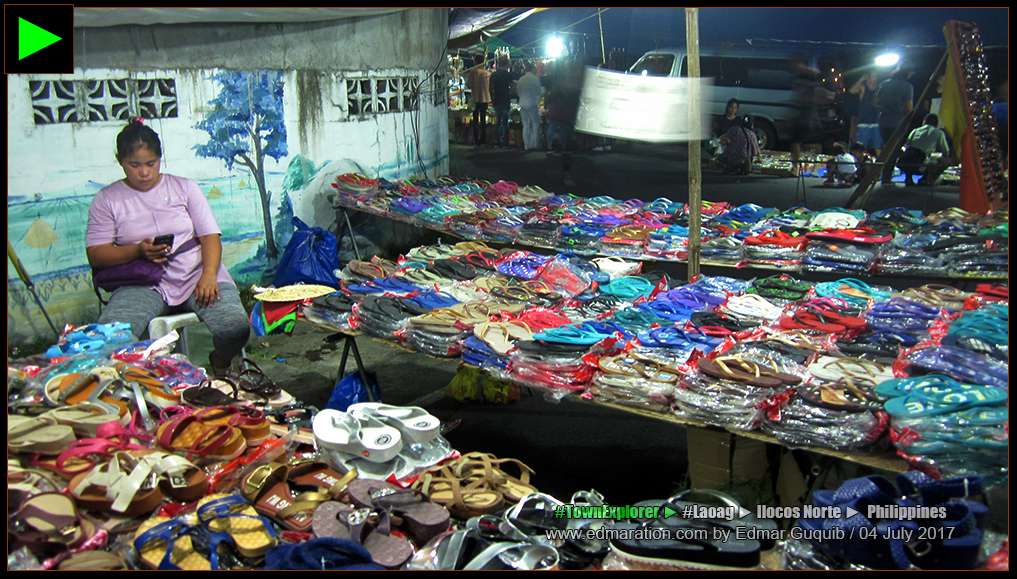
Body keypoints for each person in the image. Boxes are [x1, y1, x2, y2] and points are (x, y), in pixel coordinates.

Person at [86, 118, 250, 375]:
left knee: (235, 327)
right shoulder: (107, 199)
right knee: (112, 337)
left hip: (196, 273)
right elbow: (96, 255)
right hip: (143, 281)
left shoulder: (184, 188)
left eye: (151, 164)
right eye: (134, 165)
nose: (144, 172)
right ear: (120, 160)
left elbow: (210, 237)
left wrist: (208, 275)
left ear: (160, 158)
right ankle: (150, 385)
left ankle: (220, 360)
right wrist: (137, 251)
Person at [874, 65, 914, 184]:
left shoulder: (884, 84)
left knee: (886, 148)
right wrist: (900, 109)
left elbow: (875, 101)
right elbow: (909, 108)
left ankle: (882, 175)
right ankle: (886, 177)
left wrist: (887, 105)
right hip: (897, 122)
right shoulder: (907, 87)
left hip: (883, 121)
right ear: (907, 74)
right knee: (893, 151)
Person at [898, 113, 952, 186]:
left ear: (924, 122)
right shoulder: (939, 133)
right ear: (936, 125)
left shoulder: (915, 131)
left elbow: (907, 147)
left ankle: (908, 178)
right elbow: (946, 154)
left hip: (908, 164)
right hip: (922, 166)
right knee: (947, 160)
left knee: (910, 154)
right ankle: (926, 179)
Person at [850, 71, 882, 156]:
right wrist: (861, 79)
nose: (874, 79)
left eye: (876, 76)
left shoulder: (880, 87)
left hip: (876, 122)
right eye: (873, 76)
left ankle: (880, 168)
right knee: (861, 148)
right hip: (864, 123)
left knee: (878, 147)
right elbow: (852, 91)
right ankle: (859, 167)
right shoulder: (863, 87)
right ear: (868, 77)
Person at [489, 56, 517, 148]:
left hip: (497, 99)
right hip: (505, 100)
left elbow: (490, 88)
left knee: (497, 122)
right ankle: (505, 142)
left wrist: (492, 98)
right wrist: (509, 93)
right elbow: (512, 87)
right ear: (507, 65)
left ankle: (496, 142)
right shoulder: (508, 75)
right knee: (505, 123)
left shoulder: (494, 74)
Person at [516, 61, 543, 150]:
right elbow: (538, 92)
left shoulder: (521, 79)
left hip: (522, 103)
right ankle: (535, 143)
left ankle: (526, 145)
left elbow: (518, 91)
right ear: (533, 69)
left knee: (526, 125)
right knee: (535, 124)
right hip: (532, 103)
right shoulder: (535, 79)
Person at [465, 55, 492, 146]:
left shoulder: (473, 72)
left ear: (475, 61)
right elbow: (491, 86)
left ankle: (476, 140)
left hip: (476, 98)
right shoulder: (488, 73)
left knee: (476, 119)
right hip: (485, 98)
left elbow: (469, 85)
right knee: (483, 119)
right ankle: (483, 139)